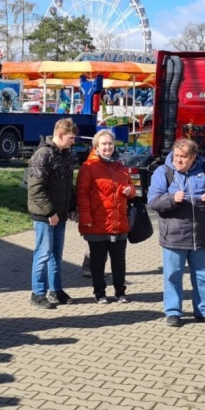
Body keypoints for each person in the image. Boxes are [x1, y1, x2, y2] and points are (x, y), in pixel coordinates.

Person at [147, 138, 205, 327]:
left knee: (203, 275)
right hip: (174, 234)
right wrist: (171, 198)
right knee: (173, 275)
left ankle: (204, 311)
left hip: (202, 234)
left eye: (183, 157)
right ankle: (173, 312)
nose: (178, 160)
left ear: (193, 157)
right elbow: (153, 200)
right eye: (176, 156)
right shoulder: (163, 172)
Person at [76, 130, 136, 303]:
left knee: (119, 261)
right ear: (96, 146)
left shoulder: (120, 167)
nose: (108, 147)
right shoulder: (88, 167)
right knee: (97, 261)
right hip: (97, 222)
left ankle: (120, 292)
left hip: (118, 221)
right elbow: (82, 194)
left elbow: (131, 188)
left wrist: (130, 191)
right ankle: (100, 293)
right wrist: (86, 218)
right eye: (104, 144)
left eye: (110, 143)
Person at [28, 118, 79, 309]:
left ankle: (56, 290)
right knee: (43, 253)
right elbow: (36, 189)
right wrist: (50, 212)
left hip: (61, 213)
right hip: (44, 215)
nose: (73, 141)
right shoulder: (42, 155)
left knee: (56, 254)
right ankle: (37, 293)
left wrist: (71, 207)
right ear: (60, 134)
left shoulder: (66, 155)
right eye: (71, 137)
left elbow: (68, 185)